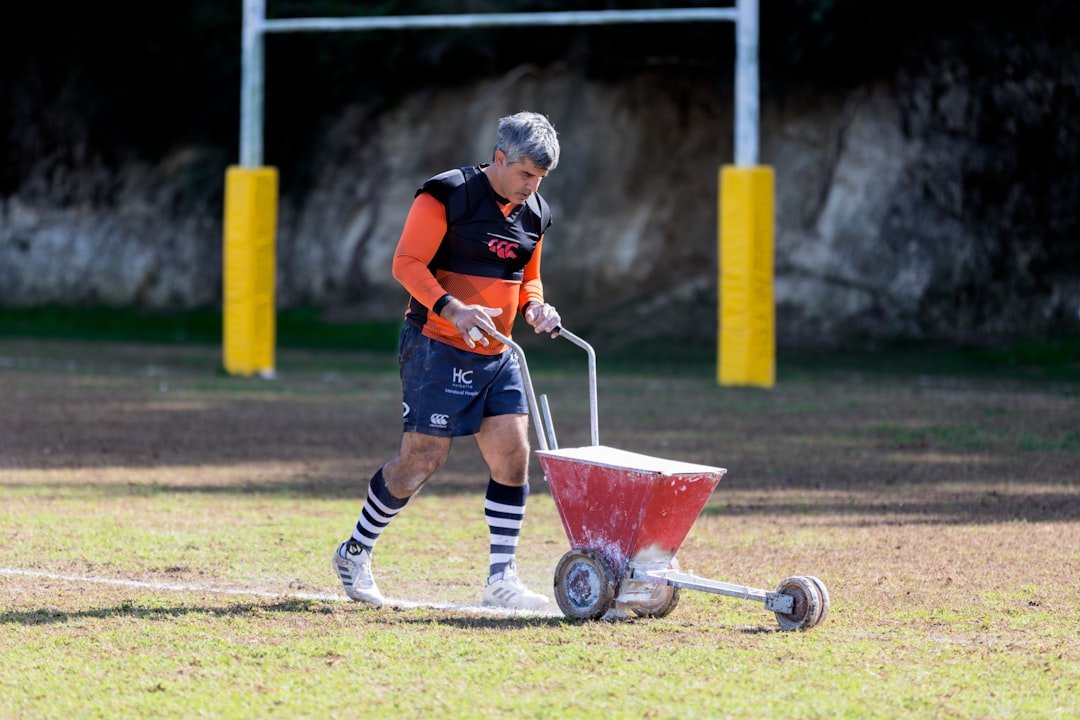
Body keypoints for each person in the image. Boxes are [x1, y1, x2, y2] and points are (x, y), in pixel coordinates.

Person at [332, 111, 563, 610]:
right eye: (525, 174)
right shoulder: (447, 193)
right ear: (499, 159)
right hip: (435, 344)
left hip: (498, 352)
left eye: (540, 178)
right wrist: (453, 309)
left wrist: (536, 308)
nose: (532, 186)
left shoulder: (536, 213)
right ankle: (354, 551)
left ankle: (501, 579)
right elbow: (406, 263)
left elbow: (528, 279)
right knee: (422, 460)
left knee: (513, 454)